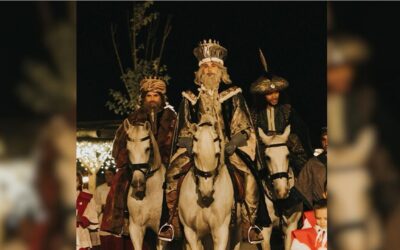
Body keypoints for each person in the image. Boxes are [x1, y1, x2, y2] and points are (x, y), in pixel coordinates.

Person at [158, 39, 268, 244]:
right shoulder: (189, 98)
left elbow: (243, 125)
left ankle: (250, 223)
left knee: (249, 175)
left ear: (221, 69)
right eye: (205, 66)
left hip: (227, 147)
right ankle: (170, 221)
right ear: (199, 71)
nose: (209, 70)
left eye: (214, 66)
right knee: (172, 173)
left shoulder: (233, 94)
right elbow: (183, 126)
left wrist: (234, 142)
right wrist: (189, 143)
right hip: (196, 146)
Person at [101, 76, 177, 236]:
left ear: (161, 98)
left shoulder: (172, 118)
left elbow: (177, 140)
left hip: (167, 161)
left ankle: (175, 222)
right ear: (143, 98)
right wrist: (124, 159)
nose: (152, 99)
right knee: (119, 182)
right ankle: (120, 222)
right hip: (137, 163)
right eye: (148, 95)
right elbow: (119, 142)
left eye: (156, 95)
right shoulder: (133, 118)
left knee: (181, 183)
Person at [250, 50, 313, 176]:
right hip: (264, 147)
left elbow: (300, 130)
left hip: (284, 144)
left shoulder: (287, 109)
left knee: (302, 162)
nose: (274, 96)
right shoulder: (255, 113)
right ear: (262, 96)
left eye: (276, 92)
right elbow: (254, 132)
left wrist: (289, 139)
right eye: (269, 94)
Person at [294, 127, 327, 210]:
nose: (326, 143)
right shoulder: (313, 163)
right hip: (320, 211)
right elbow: (301, 187)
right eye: (324, 139)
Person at [77, 172, 100, 250]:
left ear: (80, 182)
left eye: (75, 180)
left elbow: (93, 219)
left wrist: (81, 219)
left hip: (80, 234)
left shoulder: (85, 196)